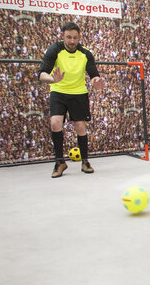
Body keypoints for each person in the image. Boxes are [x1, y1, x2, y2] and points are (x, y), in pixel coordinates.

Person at [38, 22, 105, 178]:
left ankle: (85, 161)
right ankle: (60, 162)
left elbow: (93, 73)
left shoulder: (86, 53)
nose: (72, 41)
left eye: (75, 37)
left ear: (79, 37)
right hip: (58, 91)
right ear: (63, 36)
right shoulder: (55, 49)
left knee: (80, 126)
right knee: (55, 123)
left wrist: (96, 81)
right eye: (69, 37)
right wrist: (52, 79)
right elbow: (41, 74)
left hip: (78, 93)